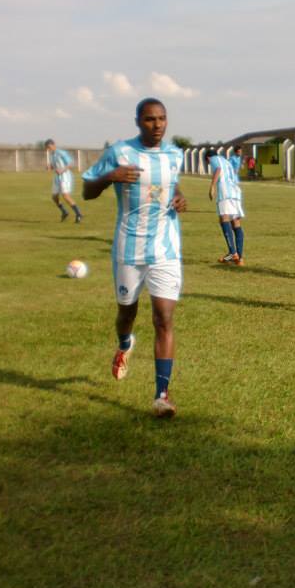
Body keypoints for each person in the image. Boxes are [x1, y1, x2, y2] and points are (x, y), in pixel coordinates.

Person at [81, 98, 187, 418]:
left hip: (166, 249)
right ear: (138, 122)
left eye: (162, 119)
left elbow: (171, 183)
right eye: (150, 120)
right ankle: (125, 342)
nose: (158, 126)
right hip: (129, 249)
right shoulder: (118, 153)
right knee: (126, 313)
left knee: (163, 318)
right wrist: (109, 176)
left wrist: (180, 197)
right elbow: (87, 191)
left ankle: (162, 395)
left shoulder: (174, 154)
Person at [208, 148, 246, 266]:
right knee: (236, 222)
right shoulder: (226, 161)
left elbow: (218, 170)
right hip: (235, 191)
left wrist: (212, 186)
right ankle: (239, 258)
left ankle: (232, 252)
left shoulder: (214, 159)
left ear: (208, 158)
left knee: (223, 218)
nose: (209, 163)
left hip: (225, 192)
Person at [45, 139, 83, 223]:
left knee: (65, 195)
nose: (48, 149)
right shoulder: (52, 155)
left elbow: (70, 163)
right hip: (57, 177)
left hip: (65, 176)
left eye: (49, 147)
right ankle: (64, 212)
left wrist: (62, 170)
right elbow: (54, 166)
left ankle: (78, 214)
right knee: (54, 197)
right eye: (47, 148)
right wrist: (49, 167)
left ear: (53, 145)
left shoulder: (61, 153)